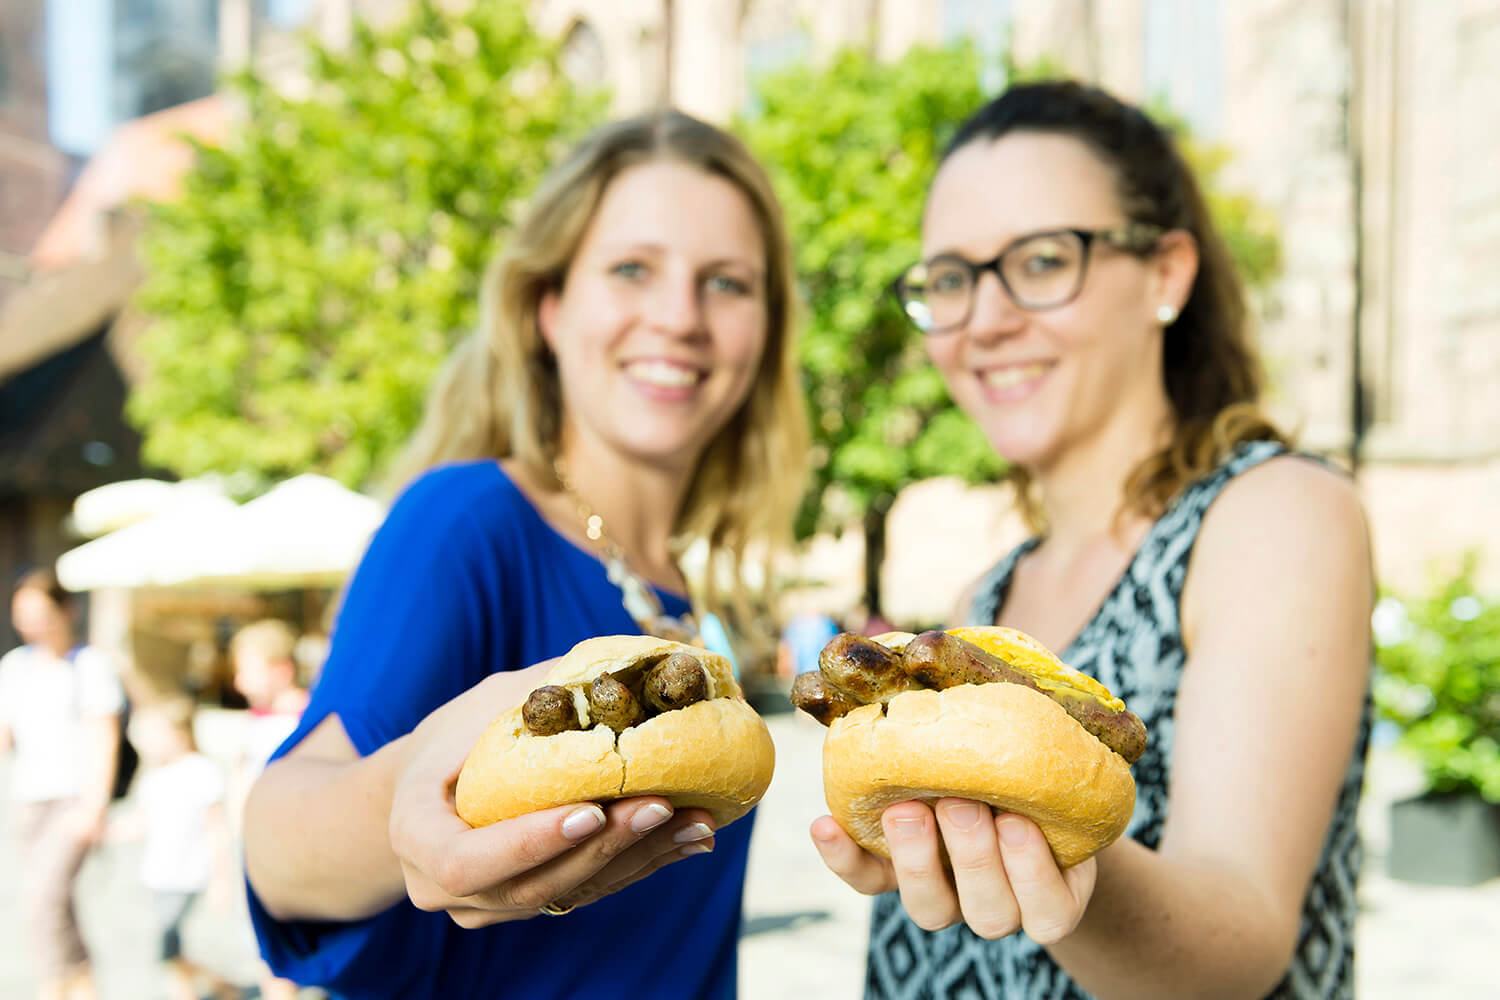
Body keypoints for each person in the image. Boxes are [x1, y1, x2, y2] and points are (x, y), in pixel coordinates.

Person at [810, 80, 1374, 999]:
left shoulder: (1275, 514)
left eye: (1039, 260)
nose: (985, 319)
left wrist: (1040, 835)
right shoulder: (982, 600)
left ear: (1166, 274)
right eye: (949, 278)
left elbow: (1242, 947)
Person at [241, 108, 808, 1000]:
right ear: (548, 306)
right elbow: (281, 840)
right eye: (632, 269)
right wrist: (406, 801)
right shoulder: (468, 521)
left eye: (728, 283)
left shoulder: (685, 589)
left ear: (767, 330)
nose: (680, 317)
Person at [0, 568, 125, 1000]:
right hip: (28, 798)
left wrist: (95, 806)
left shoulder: (89, 664)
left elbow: (103, 737)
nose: (32, 623)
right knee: (57, 905)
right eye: (23, 614)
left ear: (64, 611)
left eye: (39, 612)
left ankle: (52, 987)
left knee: (40, 902)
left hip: (73, 798)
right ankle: (84, 986)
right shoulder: (14, 667)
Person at [112, 698, 239, 1000]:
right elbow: (142, 822)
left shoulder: (201, 771)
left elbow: (217, 828)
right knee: (170, 949)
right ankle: (223, 985)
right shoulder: (154, 777)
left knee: (166, 951)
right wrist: (101, 833)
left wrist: (221, 880)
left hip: (189, 874)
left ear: (179, 733)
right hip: (159, 874)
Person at [227, 619, 309, 1000]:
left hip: (293, 849)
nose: (239, 683)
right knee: (267, 951)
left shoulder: (307, 721)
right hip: (252, 848)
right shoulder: (253, 723)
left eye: (246, 671)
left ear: (281, 670)